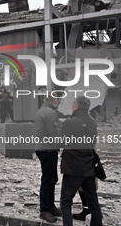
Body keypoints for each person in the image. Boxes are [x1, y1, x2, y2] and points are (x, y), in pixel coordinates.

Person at [57, 96, 102, 226]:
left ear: (76, 106)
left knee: (66, 202)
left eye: (72, 104)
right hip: (89, 167)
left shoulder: (69, 122)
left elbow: (59, 141)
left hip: (72, 168)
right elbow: (92, 143)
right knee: (93, 203)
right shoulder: (93, 122)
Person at [34, 92, 61, 223]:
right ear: (55, 101)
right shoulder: (50, 113)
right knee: (48, 179)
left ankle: (50, 205)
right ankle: (44, 209)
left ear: (44, 99)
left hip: (45, 148)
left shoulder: (42, 110)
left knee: (51, 178)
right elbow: (55, 132)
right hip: (48, 149)